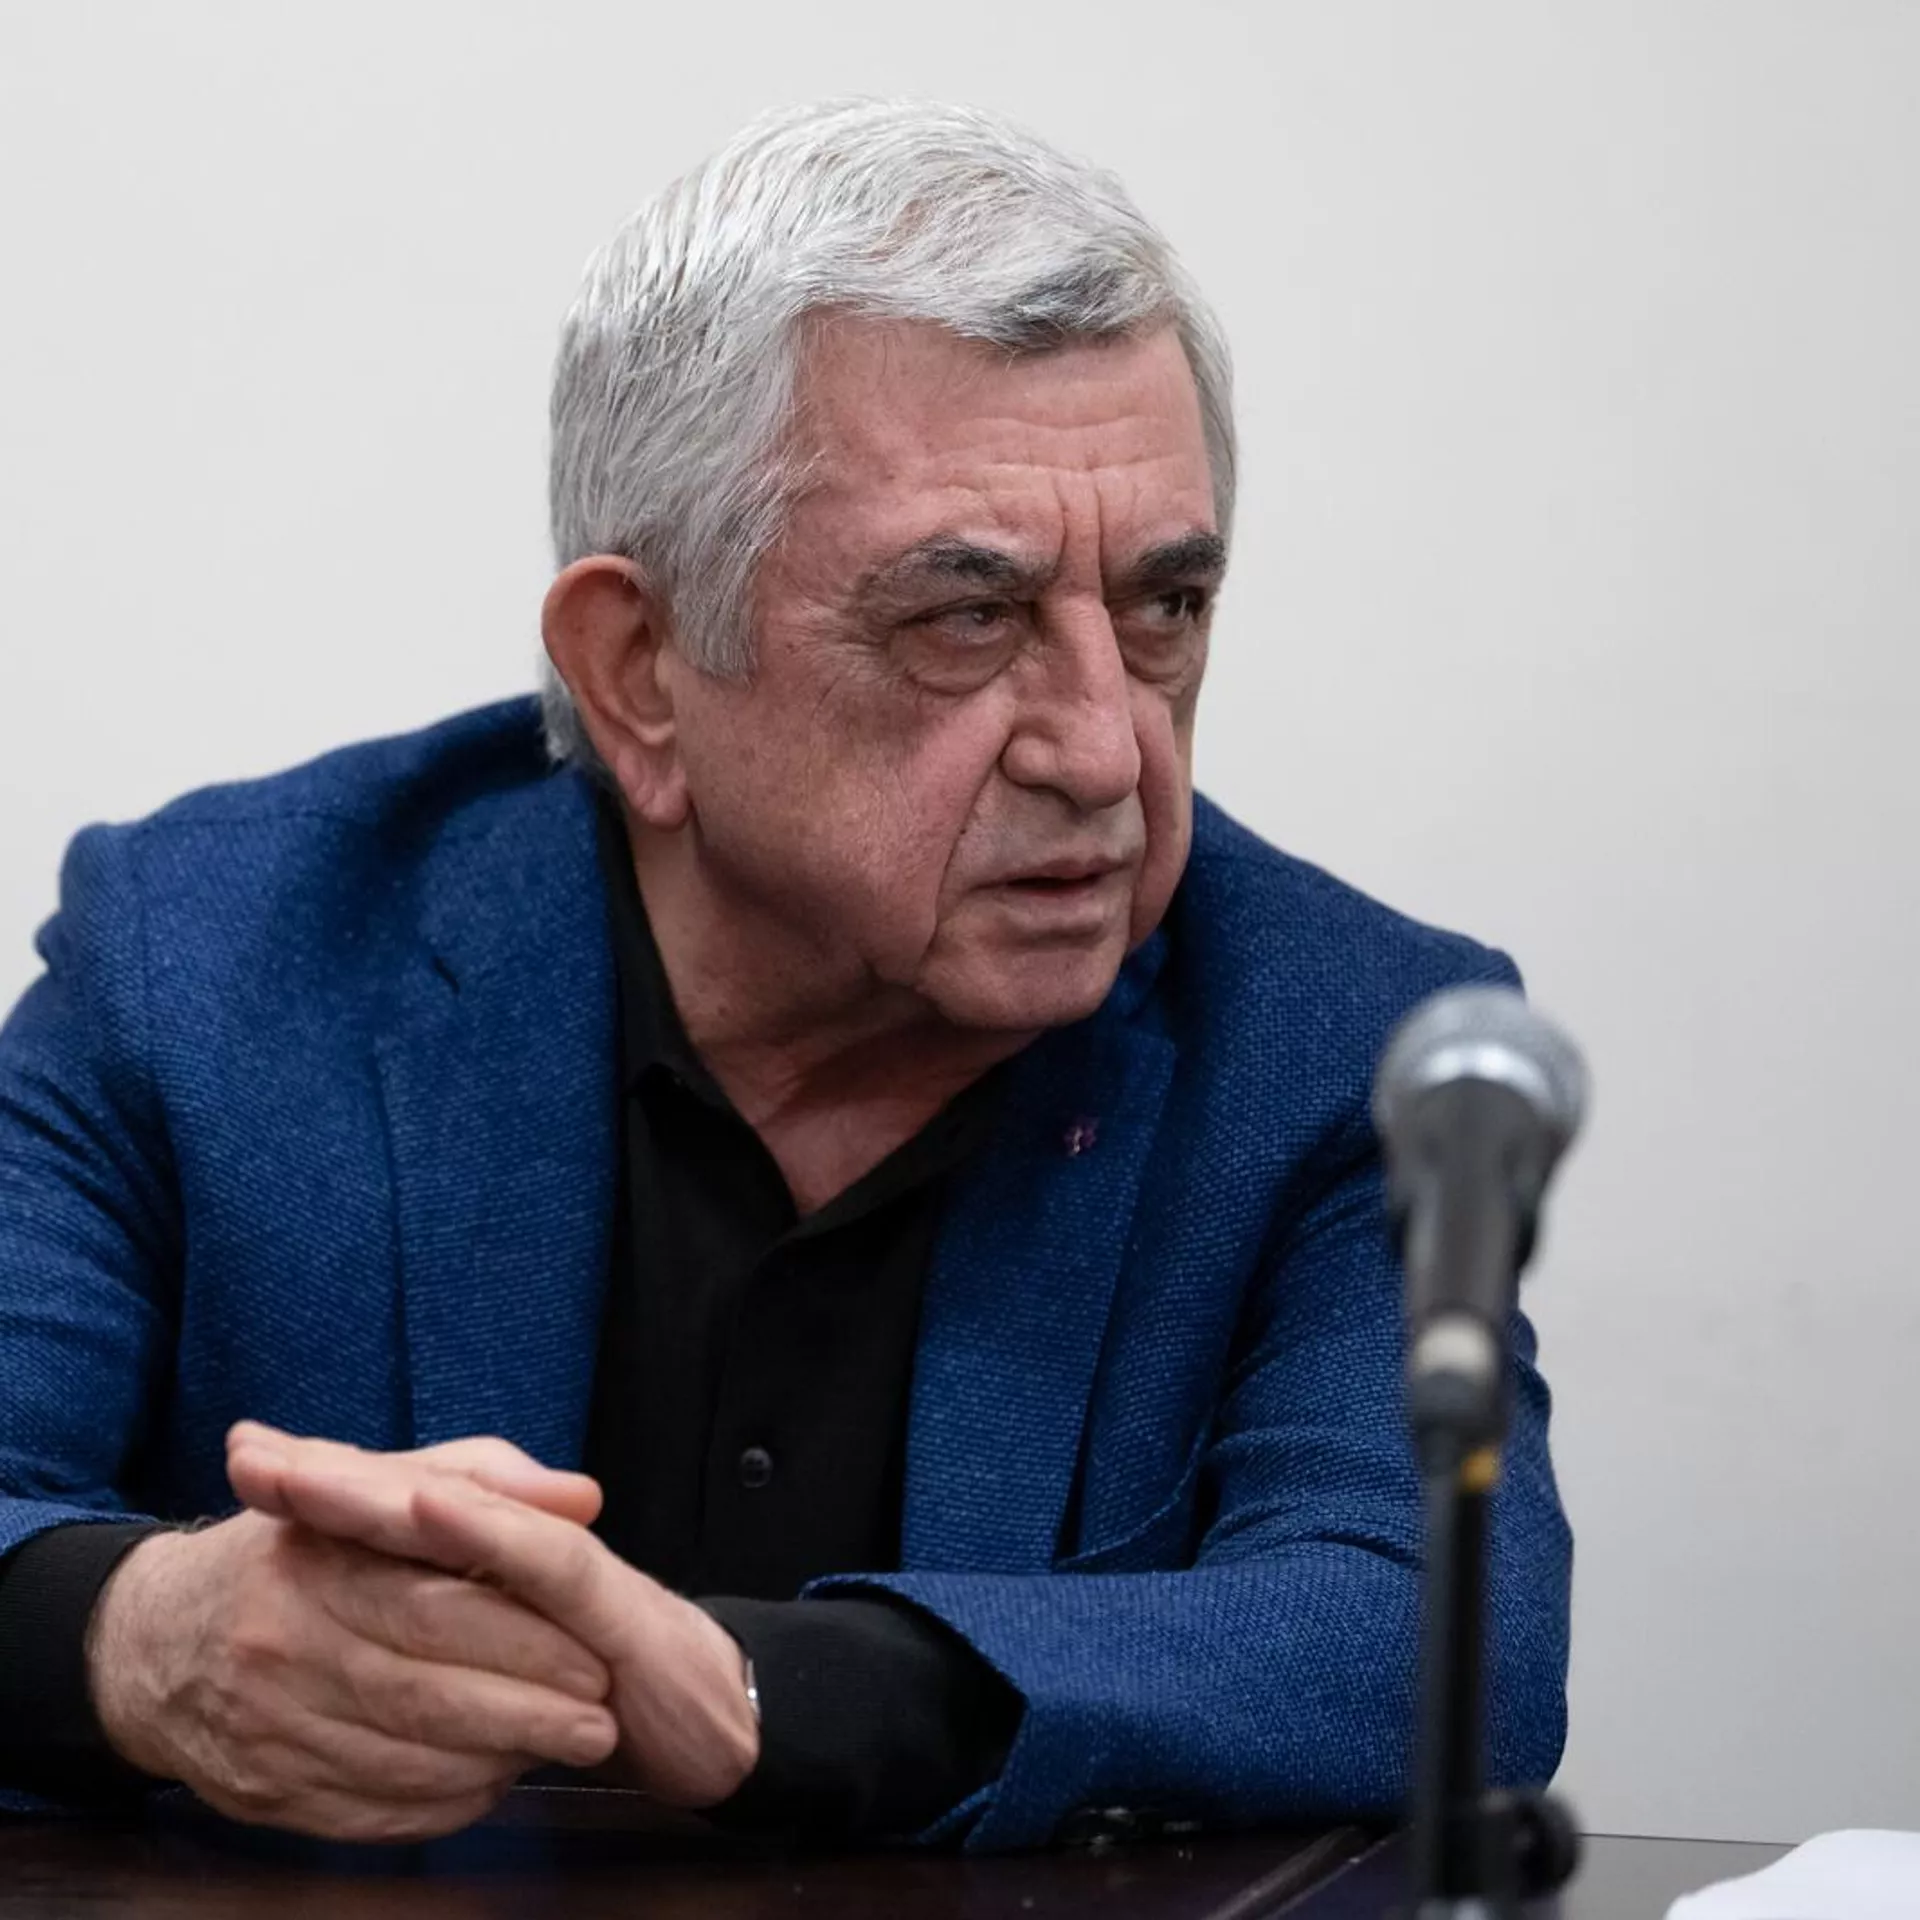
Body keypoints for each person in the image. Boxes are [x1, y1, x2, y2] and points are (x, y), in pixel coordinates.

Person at [0, 98, 1570, 1852]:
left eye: (1163, 611)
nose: (1103, 750)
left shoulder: (1344, 1048)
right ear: (640, 671)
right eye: (964, 618)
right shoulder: (212, 960)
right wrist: (135, 1642)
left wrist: (770, 1694)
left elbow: (1443, 1640)